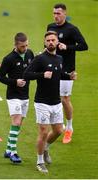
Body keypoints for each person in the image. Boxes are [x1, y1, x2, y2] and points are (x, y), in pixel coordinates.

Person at [23, 31, 77, 173]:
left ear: (57, 42)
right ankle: (40, 162)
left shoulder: (59, 58)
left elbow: (58, 73)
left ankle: (46, 147)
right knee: (43, 131)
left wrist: (69, 75)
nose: (51, 42)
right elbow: (26, 74)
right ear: (45, 42)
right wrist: (42, 74)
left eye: (53, 40)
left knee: (59, 130)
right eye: (48, 40)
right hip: (42, 102)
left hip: (56, 102)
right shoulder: (40, 59)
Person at [47, 3, 88, 144]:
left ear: (65, 14)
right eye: (54, 13)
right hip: (52, 67)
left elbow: (84, 46)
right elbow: (47, 44)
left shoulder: (72, 29)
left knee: (65, 99)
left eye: (58, 13)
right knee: (53, 97)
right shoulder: (50, 27)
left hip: (67, 69)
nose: (56, 16)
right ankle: (60, 126)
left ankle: (69, 127)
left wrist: (68, 47)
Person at [0, 32, 34, 163]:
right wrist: (15, 82)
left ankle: (8, 149)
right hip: (13, 96)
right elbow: (0, 77)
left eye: (27, 45)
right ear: (16, 45)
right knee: (16, 122)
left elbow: (32, 71)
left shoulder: (30, 54)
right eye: (23, 46)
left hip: (25, 95)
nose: (25, 48)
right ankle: (13, 153)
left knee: (18, 125)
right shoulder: (8, 59)